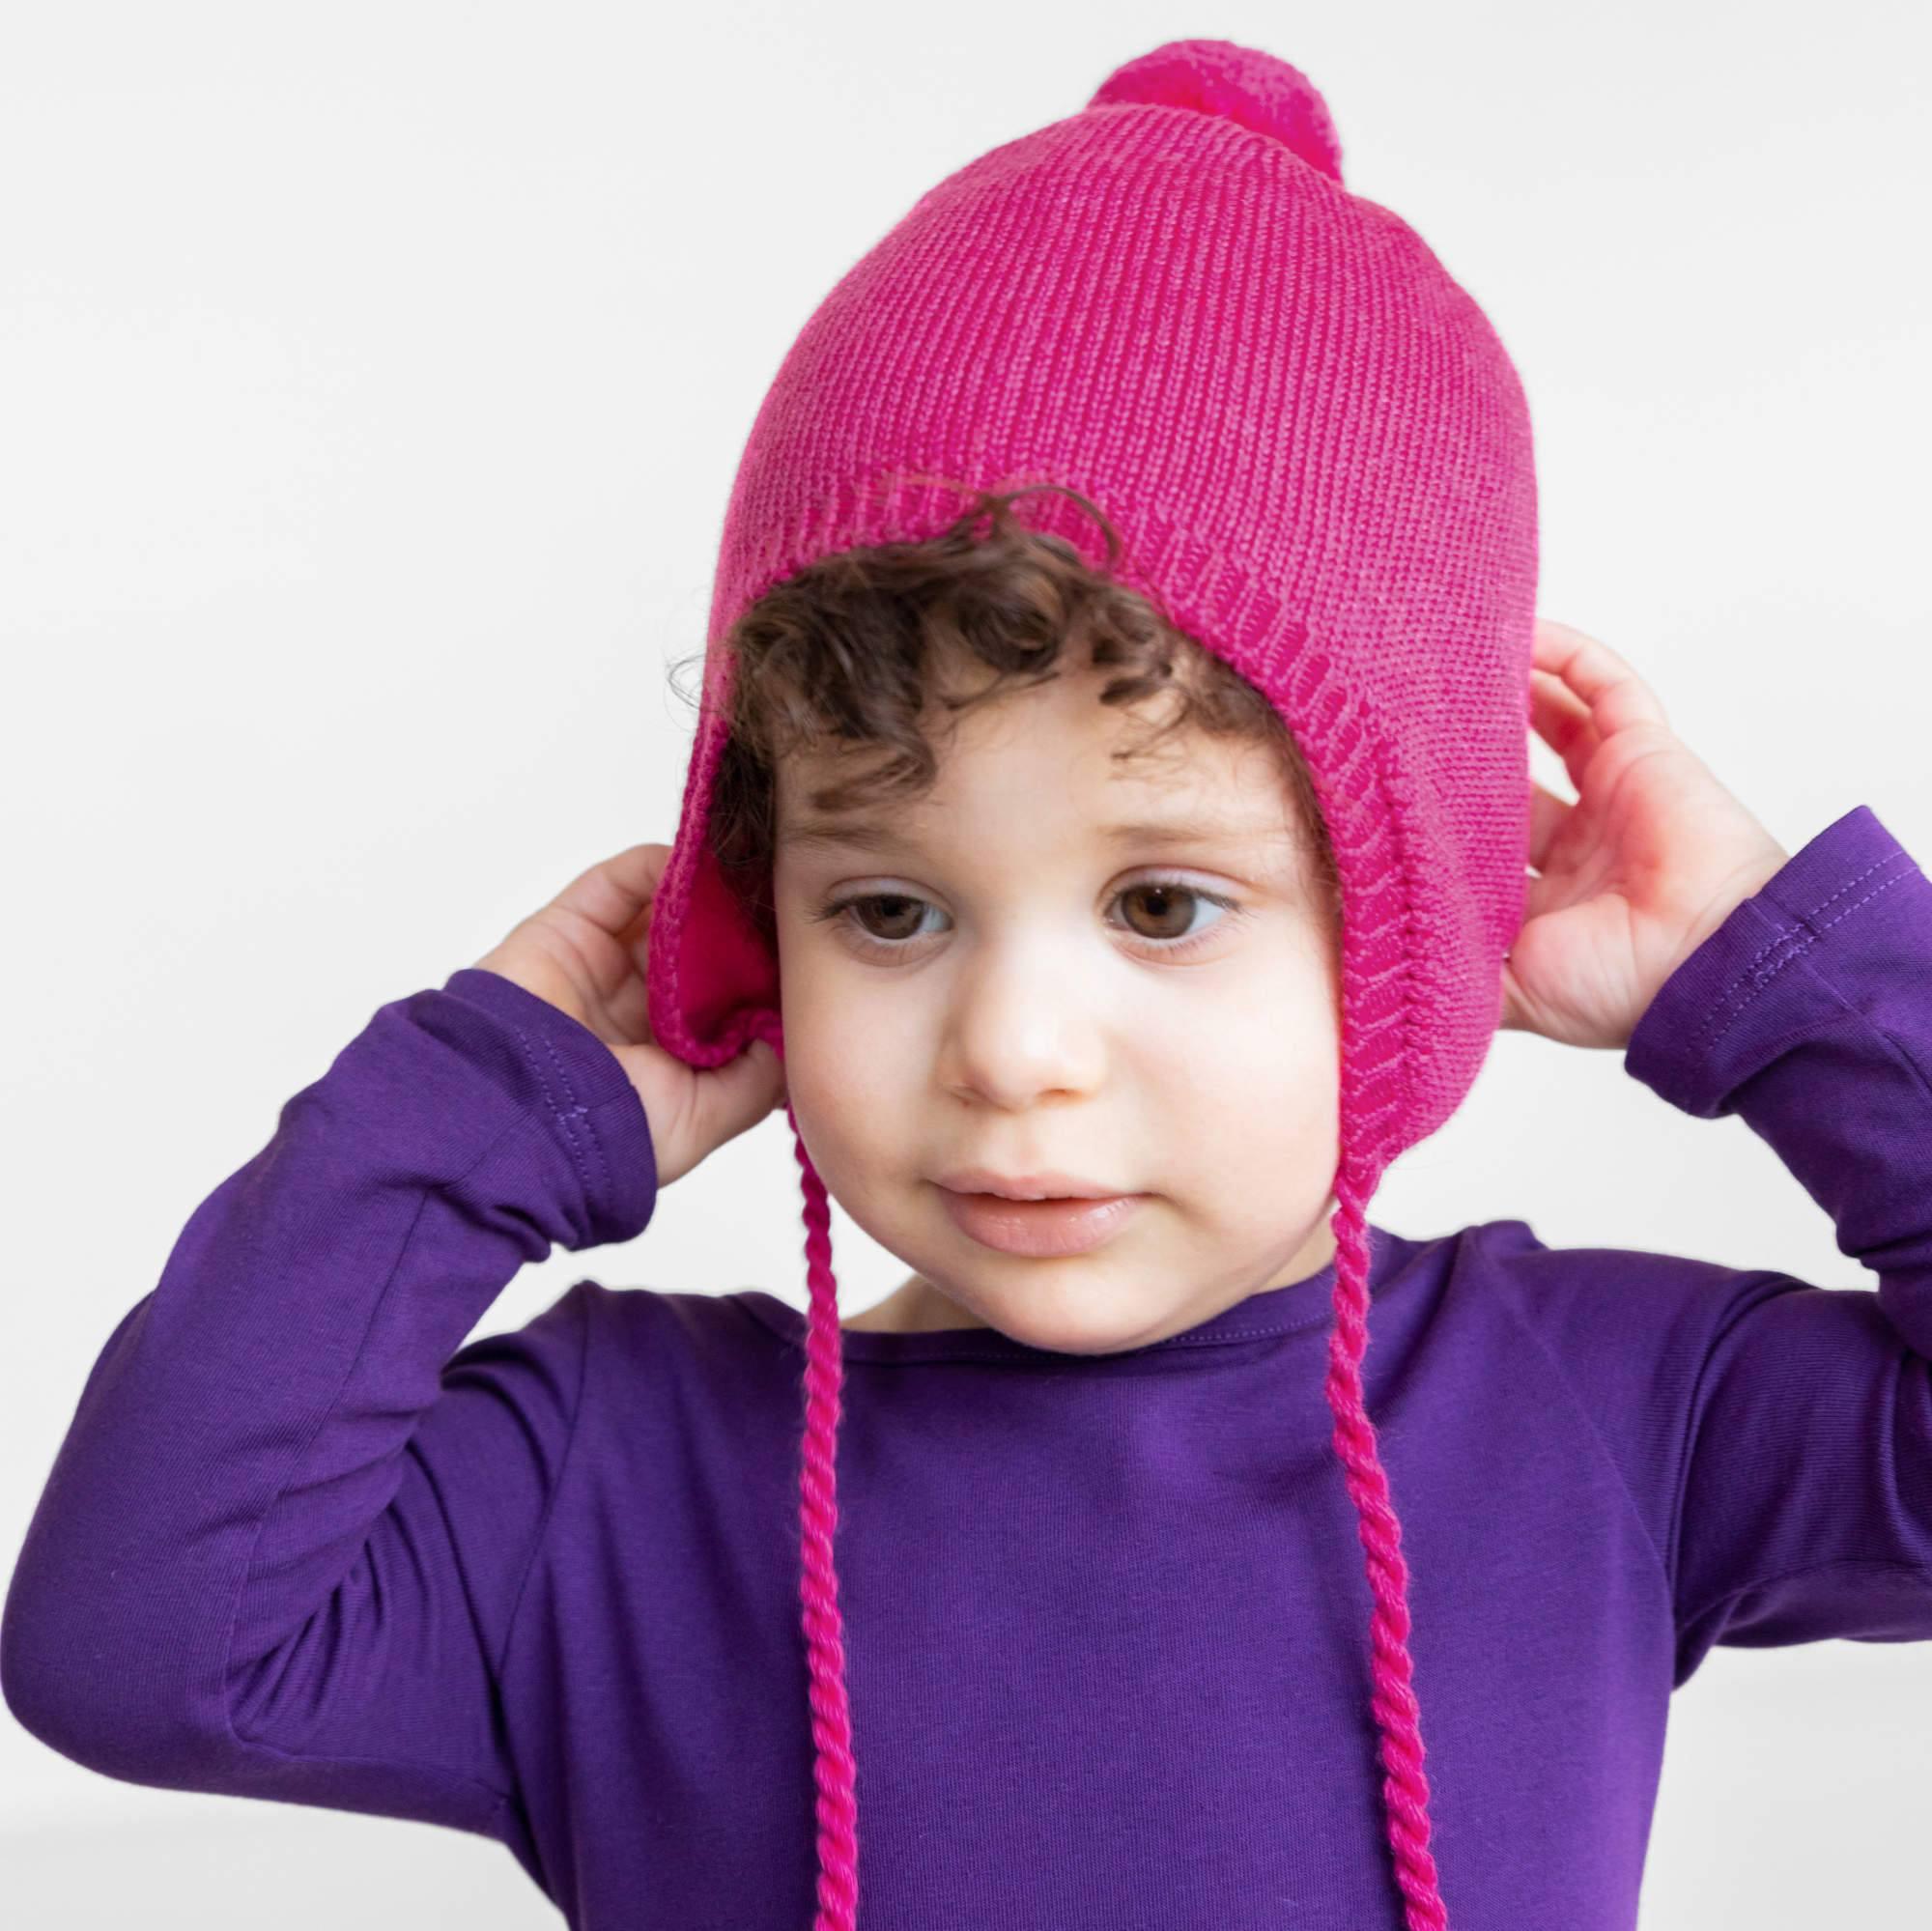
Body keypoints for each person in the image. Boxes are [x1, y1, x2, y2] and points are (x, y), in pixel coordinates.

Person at [6, 36, 1930, 1931]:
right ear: (755, 917)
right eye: (893, 912)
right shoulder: (614, 1479)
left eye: (1165, 905)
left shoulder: (1589, 1414)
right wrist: (488, 1105)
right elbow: (136, 1647)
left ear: (1405, 929)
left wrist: (1782, 974)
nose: (1010, 1053)